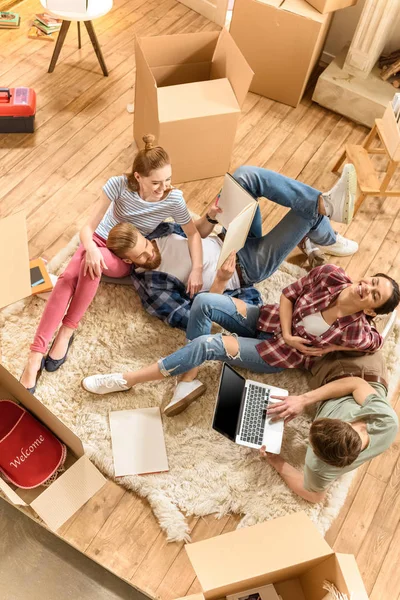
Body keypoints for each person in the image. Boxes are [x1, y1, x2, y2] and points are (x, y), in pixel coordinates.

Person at [80, 262, 399, 418]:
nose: (367, 288)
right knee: (205, 301)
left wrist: (333, 345)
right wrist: (288, 332)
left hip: (276, 354)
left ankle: (127, 379)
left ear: (372, 308)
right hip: (271, 318)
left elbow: (375, 342)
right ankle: (188, 379)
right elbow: (289, 294)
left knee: (209, 346)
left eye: (374, 294)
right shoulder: (331, 274)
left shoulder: (356, 329)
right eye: (372, 281)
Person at [21, 134, 203, 393]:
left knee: (87, 265)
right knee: (70, 274)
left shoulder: (173, 199)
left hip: (124, 253)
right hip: (98, 240)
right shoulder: (118, 185)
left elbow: (193, 233)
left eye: (167, 181)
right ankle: (38, 353)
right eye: (156, 182)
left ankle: (63, 333)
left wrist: (197, 268)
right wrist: (92, 247)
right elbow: (87, 228)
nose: (163, 188)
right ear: (138, 177)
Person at [105, 164, 359, 332]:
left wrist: (210, 218)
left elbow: (195, 232)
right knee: (310, 212)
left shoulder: (156, 233)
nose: (150, 252)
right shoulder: (153, 286)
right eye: (141, 256)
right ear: (128, 261)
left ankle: (325, 218)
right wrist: (219, 282)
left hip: (229, 237)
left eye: (146, 245)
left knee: (244, 177)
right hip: (245, 268)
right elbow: (195, 318)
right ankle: (326, 232)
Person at [261, 349, 398, 503]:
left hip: (330, 374)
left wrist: (276, 461)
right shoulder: (388, 422)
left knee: (281, 346)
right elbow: (356, 384)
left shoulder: (319, 467)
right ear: (345, 423)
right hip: (369, 371)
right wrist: (303, 399)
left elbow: (314, 496)